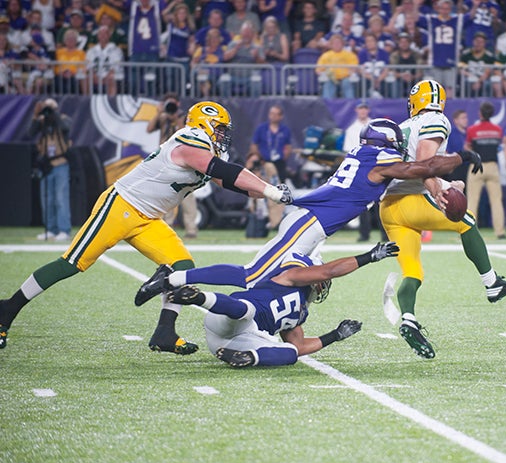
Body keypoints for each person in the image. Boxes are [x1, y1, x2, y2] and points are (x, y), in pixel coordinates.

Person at [0, 102, 293, 352]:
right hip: (122, 206)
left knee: (182, 266)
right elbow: (220, 170)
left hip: (149, 219)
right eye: (219, 129)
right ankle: (7, 310)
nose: (222, 137)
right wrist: (270, 191)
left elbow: (233, 182)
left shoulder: (208, 150)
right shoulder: (189, 138)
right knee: (72, 263)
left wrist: (272, 191)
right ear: (204, 124)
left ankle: (164, 332)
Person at [135, 118, 482, 308]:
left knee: (283, 279)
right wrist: (462, 157)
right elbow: (424, 167)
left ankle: (256, 318)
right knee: (253, 274)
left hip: (312, 225)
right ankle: (172, 279)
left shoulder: (364, 155)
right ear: (386, 145)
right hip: (309, 225)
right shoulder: (379, 162)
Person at [379, 80, 506, 360]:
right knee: (465, 221)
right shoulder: (436, 119)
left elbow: (417, 165)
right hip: (411, 200)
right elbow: (424, 163)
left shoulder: (404, 126)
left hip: (388, 208)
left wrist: (445, 184)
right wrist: (440, 190)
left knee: (413, 272)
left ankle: (408, 319)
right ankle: (492, 283)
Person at [141, 242, 400, 368]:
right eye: (321, 276)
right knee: (246, 309)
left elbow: (298, 346)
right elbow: (329, 271)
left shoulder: (301, 312)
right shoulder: (290, 277)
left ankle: (246, 359)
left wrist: (335, 336)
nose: (324, 282)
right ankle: (198, 297)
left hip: (232, 343)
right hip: (227, 317)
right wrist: (369, 257)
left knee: (289, 354)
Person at [147, 95, 200, 239]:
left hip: (183, 162)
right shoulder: (163, 118)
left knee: (188, 195)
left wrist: (177, 120)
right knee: (164, 194)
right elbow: (149, 128)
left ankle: (191, 229)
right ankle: (166, 227)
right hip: (165, 161)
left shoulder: (185, 118)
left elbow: (186, 136)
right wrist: (159, 113)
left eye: (173, 103)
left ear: (178, 104)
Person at [30, 98, 72, 242]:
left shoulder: (63, 119)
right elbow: (30, 132)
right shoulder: (42, 121)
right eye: (46, 107)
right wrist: (36, 116)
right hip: (46, 166)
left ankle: (64, 230)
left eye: (51, 107)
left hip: (61, 164)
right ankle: (51, 230)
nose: (48, 111)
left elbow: (66, 128)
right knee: (47, 199)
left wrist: (55, 114)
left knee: (61, 198)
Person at [465, 101, 506, 239]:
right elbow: (500, 146)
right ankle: (500, 232)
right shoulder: (497, 130)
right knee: (496, 201)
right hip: (493, 167)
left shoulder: (472, 130)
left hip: (476, 166)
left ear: (480, 113)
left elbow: (468, 148)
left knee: (472, 200)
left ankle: (467, 232)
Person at [249, 104, 293, 232]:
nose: (272, 116)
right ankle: (259, 221)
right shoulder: (262, 129)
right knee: (262, 190)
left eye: (275, 114)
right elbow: (254, 146)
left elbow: (288, 147)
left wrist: (283, 158)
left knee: (278, 190)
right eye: (271, 113)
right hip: (265, 162)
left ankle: (275, 221)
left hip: (279, 163)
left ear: (281, 116)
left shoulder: (284, 130)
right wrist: (260, 159)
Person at [342, 101, 378, 242]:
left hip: (377, 166)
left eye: (365, 108)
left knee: (380, 201)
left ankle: (385, 234)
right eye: (360, 108)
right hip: (361, 168)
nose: (362, 111)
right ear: (356, 110)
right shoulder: (352, 130)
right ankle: (364, 234)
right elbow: (349, 152)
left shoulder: (375, 125)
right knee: (363, 203)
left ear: (368, 110)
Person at [315, 33, 359, 98]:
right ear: (331, 44)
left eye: (338, 42)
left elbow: (354, 67)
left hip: (346, 78)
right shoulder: (325, 55)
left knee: (346, 83)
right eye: (334, 43)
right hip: (331, 78)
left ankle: (350, 104)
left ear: (342, 44)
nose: (336, 44)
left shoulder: (350, 55)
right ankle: (327, 105)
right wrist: (324, 73)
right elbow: (318, 69)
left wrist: (349, 73)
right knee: (328, 84)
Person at [85, 24, 123, 96]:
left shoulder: (116, 50)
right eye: (100, 34)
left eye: (105, 34)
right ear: (97, 36)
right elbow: (89, 66)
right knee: (87, 77)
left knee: (111, 78)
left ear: (109, 36)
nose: (102, 36)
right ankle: (87, 101)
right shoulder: (91, 50)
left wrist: (106, 77)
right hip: (95, 76)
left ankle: (110, 102)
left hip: (110, 76)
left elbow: (116, 67)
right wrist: (95, 76)